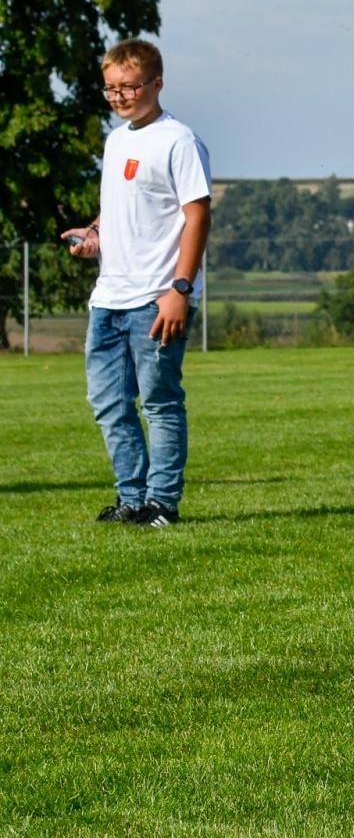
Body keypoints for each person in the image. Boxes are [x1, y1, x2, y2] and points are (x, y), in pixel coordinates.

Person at [61, 38, 211, 528]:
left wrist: (180, 290)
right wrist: (95, 236)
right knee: (108, 405)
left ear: (156, 83)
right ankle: (131, 500)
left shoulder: (179, 140)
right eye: (110, 89)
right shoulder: (116, 140)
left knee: (161, 402)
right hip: (108, 299)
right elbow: (119, 208)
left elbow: (197, 215)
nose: (119, 96)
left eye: (128, 86)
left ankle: (162, 504)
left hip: (156, 298)